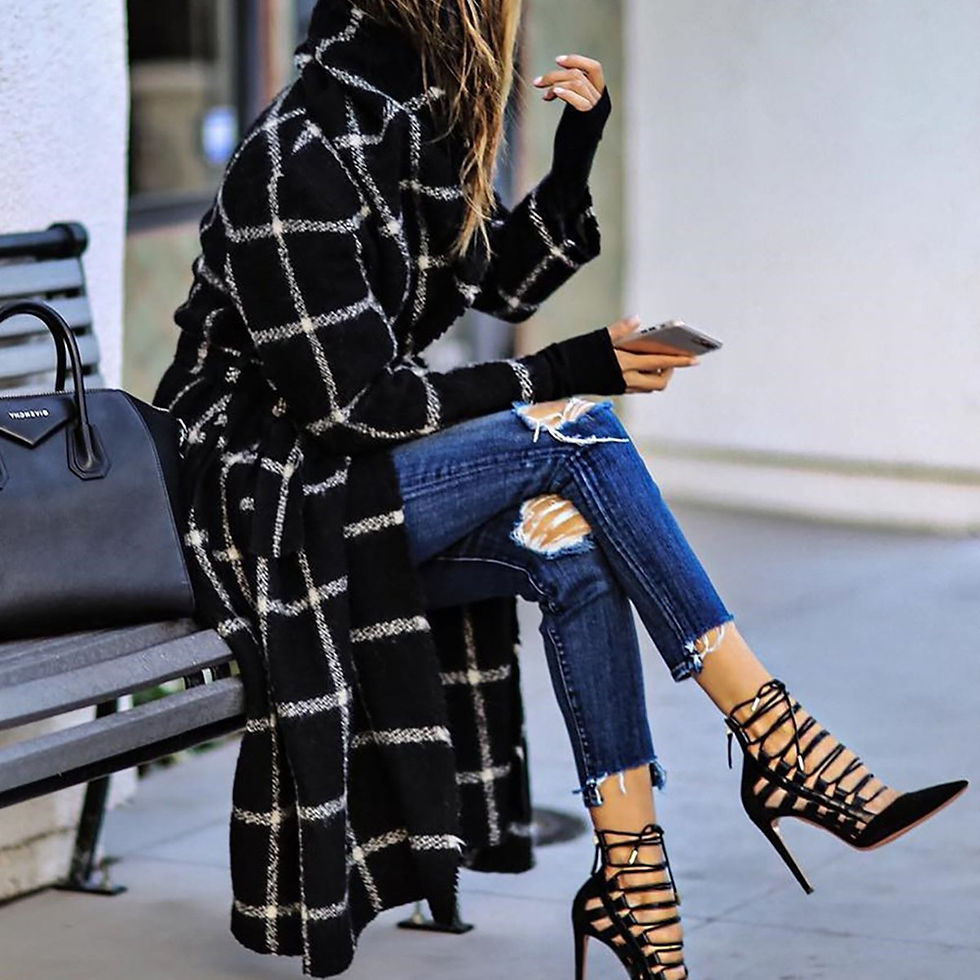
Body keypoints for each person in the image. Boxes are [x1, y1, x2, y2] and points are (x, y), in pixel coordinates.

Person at [152, 1, 968, 978]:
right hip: (260, 489)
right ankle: (777, 742)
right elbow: (353, 407)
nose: (501, 28)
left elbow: (489, 282)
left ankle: (630, 886)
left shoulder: (401, 124)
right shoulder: (295, 157)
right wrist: (570, 369)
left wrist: (576, 153)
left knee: (564, 538)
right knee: (578, 425)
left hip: (343, 466)